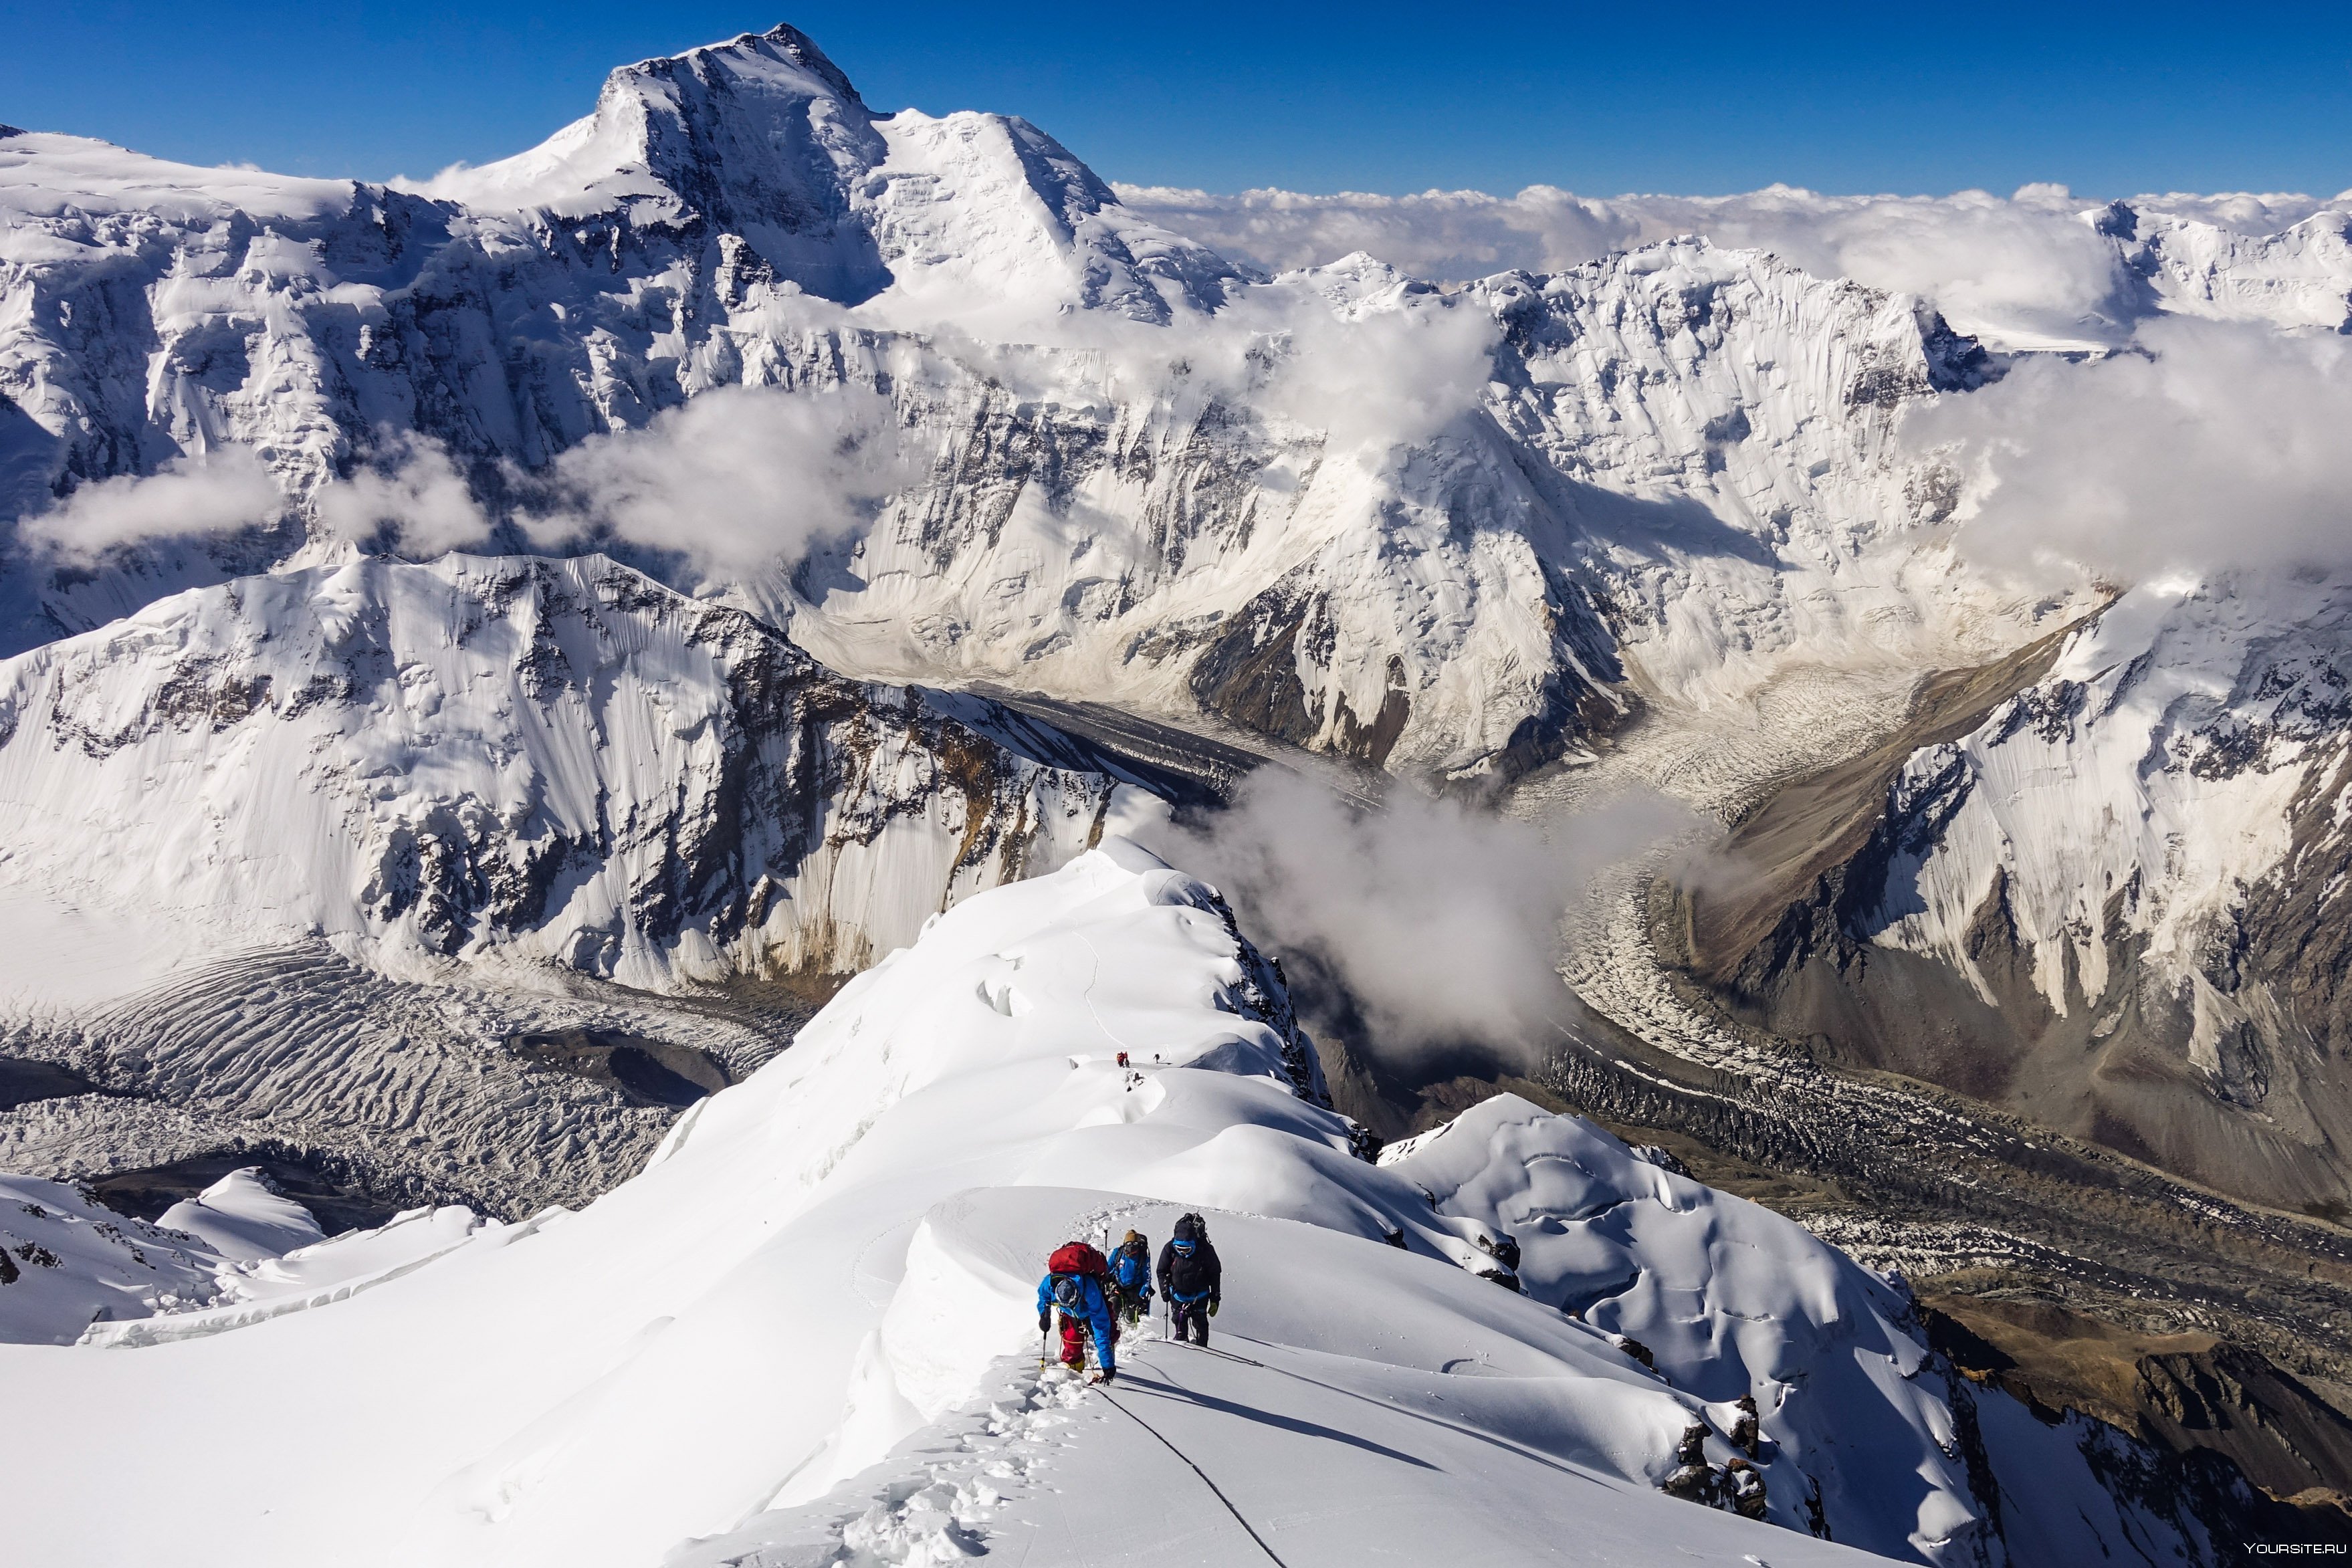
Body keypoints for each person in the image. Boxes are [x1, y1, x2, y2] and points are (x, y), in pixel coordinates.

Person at [1036, 1238, 1119, 1382]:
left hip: (1089, 1308)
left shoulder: (1091, 1291)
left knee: (1108, 1334)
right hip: (1070, 1315)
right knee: (1072, 1342)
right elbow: (1043, 1297)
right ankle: (1073, 1375)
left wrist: (1107, 1364)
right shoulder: (1051, 1283)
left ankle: (1107, 1357)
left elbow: (1100, 1326)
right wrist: (1044, 1314)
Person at [1156, 1212, 1221, 1346]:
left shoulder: (1205, 1250)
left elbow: (1215, 1273)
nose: (1183, 1253)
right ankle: (1182, 1350)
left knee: (1201, 1325)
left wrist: (1215, 1297)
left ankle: (1203, 1351)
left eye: (1187, 1249)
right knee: (1179, 1323)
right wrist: (1164, 1290)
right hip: (1177, 1295)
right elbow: (1161, 1271)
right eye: (1180, 1249)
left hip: (1200, 1296)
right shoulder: (1169, 1249)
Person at [1108, 1230, 1154, 1326]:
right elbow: (1108, 1268)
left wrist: (1143, 1292)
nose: (1131, 1246)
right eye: (1129, 1243)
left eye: (1134, 1243)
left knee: (1131, 1317)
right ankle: (1111, 1328)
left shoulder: (1143, 1257)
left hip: (1134, 1289)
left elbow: (1147, 1277)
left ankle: (1131, 1327)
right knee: (1112, 1307)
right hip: (1118, 1286)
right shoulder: (1118, 1253)